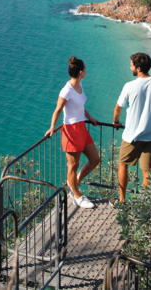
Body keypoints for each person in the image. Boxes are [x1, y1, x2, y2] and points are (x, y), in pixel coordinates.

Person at [111, 52, 151, 205]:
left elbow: (118, 108)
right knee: (147, 172)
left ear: (138, 68)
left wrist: (116, 122)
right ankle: (142, 205)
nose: (129, 67)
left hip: (132, 135)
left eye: (131, 65)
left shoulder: (129, 86)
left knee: (123, 164)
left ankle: (122, 200)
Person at [46, 56, 101, 209]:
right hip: (71, 130)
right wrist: (52, 128)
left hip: (82, 127)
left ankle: (74, 183)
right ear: (81, 72)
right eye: (86, 69)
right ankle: (76, 195)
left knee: (95, 159)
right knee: (73, 165)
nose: (87, 71)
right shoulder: (66, 90)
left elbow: (80, 105)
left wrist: (90, 117)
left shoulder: (80, 85)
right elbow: (57, 110)